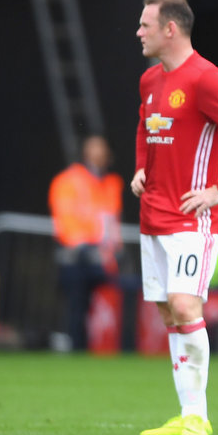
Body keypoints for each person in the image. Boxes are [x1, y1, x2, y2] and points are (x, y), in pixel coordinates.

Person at [131, 0, 218, 435]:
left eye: (146, 24)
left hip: (192, 219)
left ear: (171, 29)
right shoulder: (151, 80)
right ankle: (188, 412)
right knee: (169, 310)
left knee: (186, 304)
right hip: (152, 216)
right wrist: (139, 168)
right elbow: (145, 126)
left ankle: (197, 418)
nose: (139, 32)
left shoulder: (207, 78)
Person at [48, 135, 123, 351]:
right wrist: (81, 245)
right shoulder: (69, 180)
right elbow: (65, 218)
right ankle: (75, 347)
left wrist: (115, 249)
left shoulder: (111, 183)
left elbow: (111, 219)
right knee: (77, 306)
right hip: (76, 256)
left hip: (103, 257)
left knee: (105, 305)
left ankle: (100, 347)